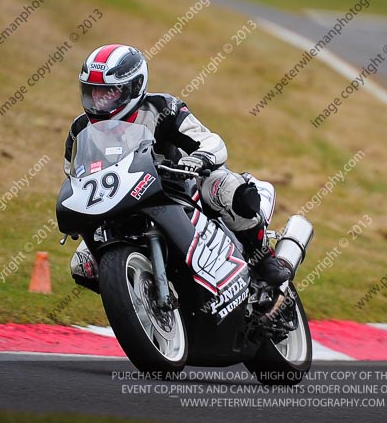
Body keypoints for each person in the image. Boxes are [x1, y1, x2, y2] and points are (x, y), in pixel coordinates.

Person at [65, 44, 291, 291]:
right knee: (82, 264)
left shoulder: (163, 108)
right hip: (120, 200)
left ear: (134, 87)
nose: (98, 101)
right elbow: (74, 174)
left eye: (109, 93)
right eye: (93, 92)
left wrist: (198, 159)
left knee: (227, 188)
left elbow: (210, 141)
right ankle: (136, 298)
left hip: (179, 185)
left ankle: (263, 258)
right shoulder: (80, 129)